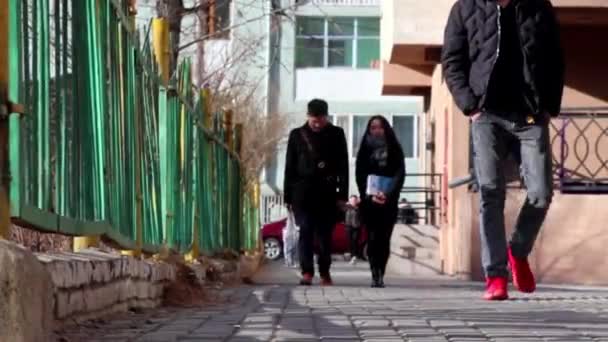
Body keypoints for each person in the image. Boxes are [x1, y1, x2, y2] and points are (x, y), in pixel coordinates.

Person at [441, 0, 564, 300]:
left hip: (530, 115)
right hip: (487, 116)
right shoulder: (465, 8)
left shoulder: (538, 6)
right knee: (491, 192)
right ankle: (495, 276)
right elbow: (452, 61)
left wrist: (549, 106)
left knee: (541, 193)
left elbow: (554, 58)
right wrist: (470, 106)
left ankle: (517, 250)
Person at [283, 99, 349, 286]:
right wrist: (287, 196)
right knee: (305, 230)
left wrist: (342, 195)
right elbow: (289, 166)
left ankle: (325, 271)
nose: (317, 123)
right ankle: (306, 271)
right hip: (302, 193)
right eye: (314, 119)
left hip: (327, 193)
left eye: (320, 119)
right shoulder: (297, 135)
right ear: (308, 116)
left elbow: (343, 166)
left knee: (324, 234)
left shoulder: (336, 134)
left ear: (326, 117)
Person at [356, 116, 406, 288]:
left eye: (380, 127)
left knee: (384, 239)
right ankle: (373, 272)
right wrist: (370, 194)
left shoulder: (395, 149)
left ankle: (381, 273)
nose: (376, 130)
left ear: (386, 129)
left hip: (389, 202)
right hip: (370, 202)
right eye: (373, 127)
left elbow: (400, 174)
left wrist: (388, 194)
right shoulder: (364, 149)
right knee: (372, 238)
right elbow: (360, 175)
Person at [344, 195, 362, 264]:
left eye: (354, 200)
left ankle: (354, 256)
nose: (353, 201)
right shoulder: (347, 208)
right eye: (352, 200)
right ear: (349, 201)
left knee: (355, 241)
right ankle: (352, 256)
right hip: (348, 227)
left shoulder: (358, 208)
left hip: (356, 227)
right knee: (350, 242)